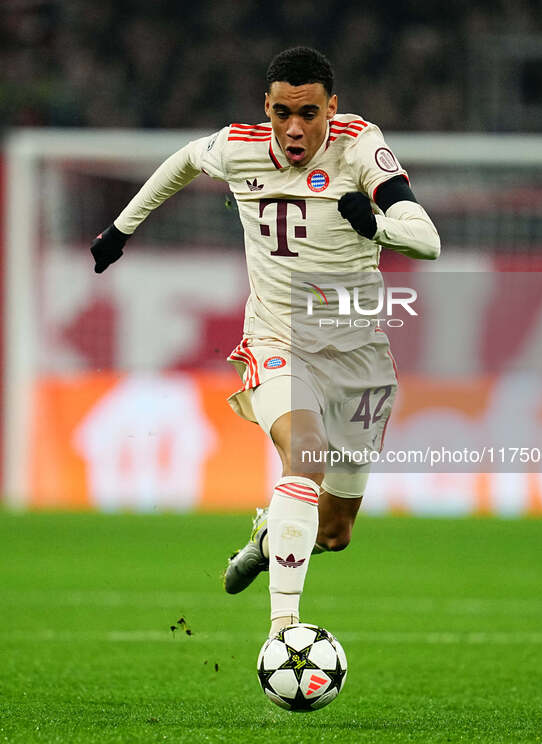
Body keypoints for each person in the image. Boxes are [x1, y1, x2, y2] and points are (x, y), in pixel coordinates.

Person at [90, 47, 440, 638]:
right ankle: (286, 633)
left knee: (335, 532)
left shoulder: (360, 147)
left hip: (359, 356)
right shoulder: (239, 146)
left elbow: (426, 240)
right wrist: (122, 229)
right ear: (267, 108)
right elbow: (182, 161)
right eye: (282, 113)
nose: (294, 128)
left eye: (308, 113)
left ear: (333, 107)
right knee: (306, 453)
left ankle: (267, 538)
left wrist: (376, 223)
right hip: (277, 338)